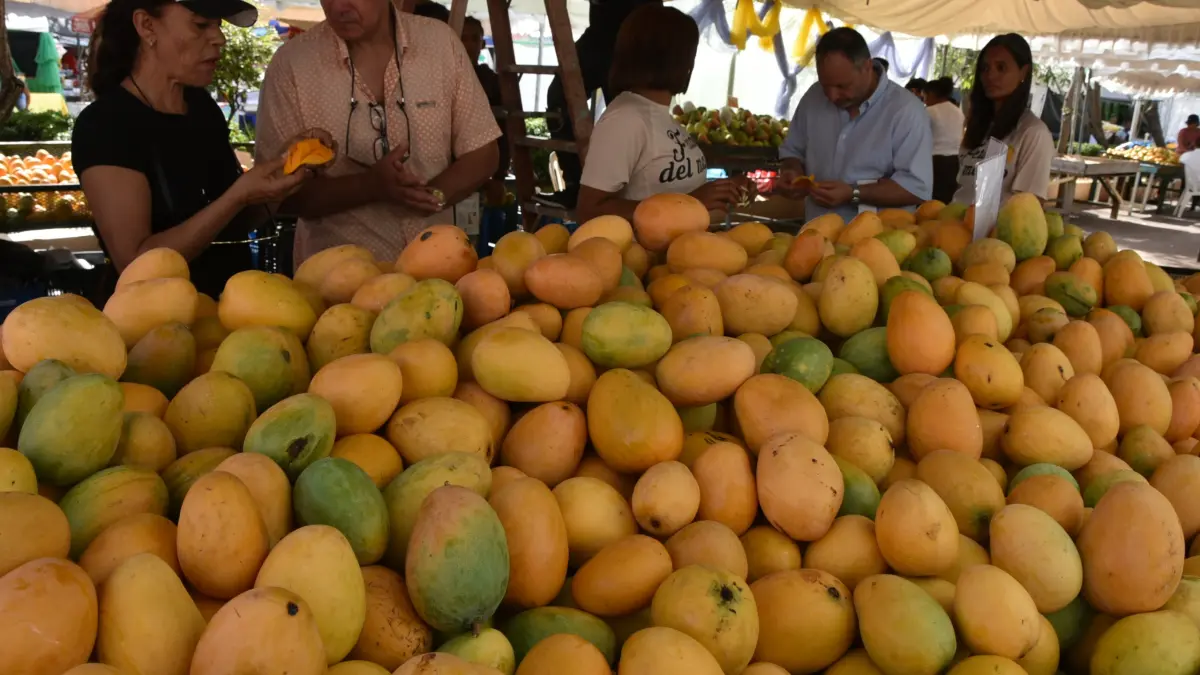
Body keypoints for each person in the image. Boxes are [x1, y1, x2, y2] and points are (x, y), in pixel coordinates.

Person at [71, 0, 315, 300]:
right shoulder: (105, 125)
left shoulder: (201, 109)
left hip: (227, 314)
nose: (219, 38)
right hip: (154, 326)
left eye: (219, 25)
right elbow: (135, 261)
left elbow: (233, 221)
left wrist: (280, 176)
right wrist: (237, 196)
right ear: (147, 26)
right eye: (201, 24)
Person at [254, 0, 501, 265]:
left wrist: (435, 194)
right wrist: (370, 186)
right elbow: (276, 197)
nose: (339, 7)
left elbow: (484, 152)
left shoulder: (440, 43)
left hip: (436, 273)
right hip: (336, 287)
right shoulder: (292, 64)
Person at [574, 4, 745, 223]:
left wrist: (726, 190)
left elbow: (671, 187)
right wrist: (690, 203)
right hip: (642, 255)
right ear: (678, 62)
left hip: (685, 250)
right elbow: (589, 212)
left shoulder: (661, 115)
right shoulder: (624, 120)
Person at [776, 27, 933, 222]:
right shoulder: (813, 98)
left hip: (879, 243)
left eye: (843, 86)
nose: (832, 96)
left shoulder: (906, 111)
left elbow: (916, 187)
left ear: (867, 67)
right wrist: (792, 172)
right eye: (826, 86)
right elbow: (793, 151)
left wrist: (853, 193)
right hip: (815, 236)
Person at [538, 0, 662, 211]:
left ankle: (630, 192)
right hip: (602, 32)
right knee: (559, 98)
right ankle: (577, 185)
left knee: (630, 117)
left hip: (637, 32)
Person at [953, 33, 1054, 204]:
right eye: (985, 68)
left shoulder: (1033, 132)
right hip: (953, 224)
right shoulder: (977, 125)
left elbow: (1028, 207)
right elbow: (964, 186)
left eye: (1001, 67)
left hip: (995, 230)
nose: (990, 76)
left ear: (1023, 72)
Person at [461, 16, 508, 208]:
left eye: (475, 38)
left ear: (482, 44)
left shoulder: (491, 81)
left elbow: (503, 130)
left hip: (481, 173)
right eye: (464, 38)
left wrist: (499, 177)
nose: (469, 44)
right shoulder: (438, 79)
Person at [924, 76, 964, 203]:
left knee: (930, 203)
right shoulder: (958, 112)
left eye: (925, 96)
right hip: (955, 162)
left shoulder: (929, 111)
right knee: (945, 203)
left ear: (931, 94)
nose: (925, 100)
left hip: (934, 162)